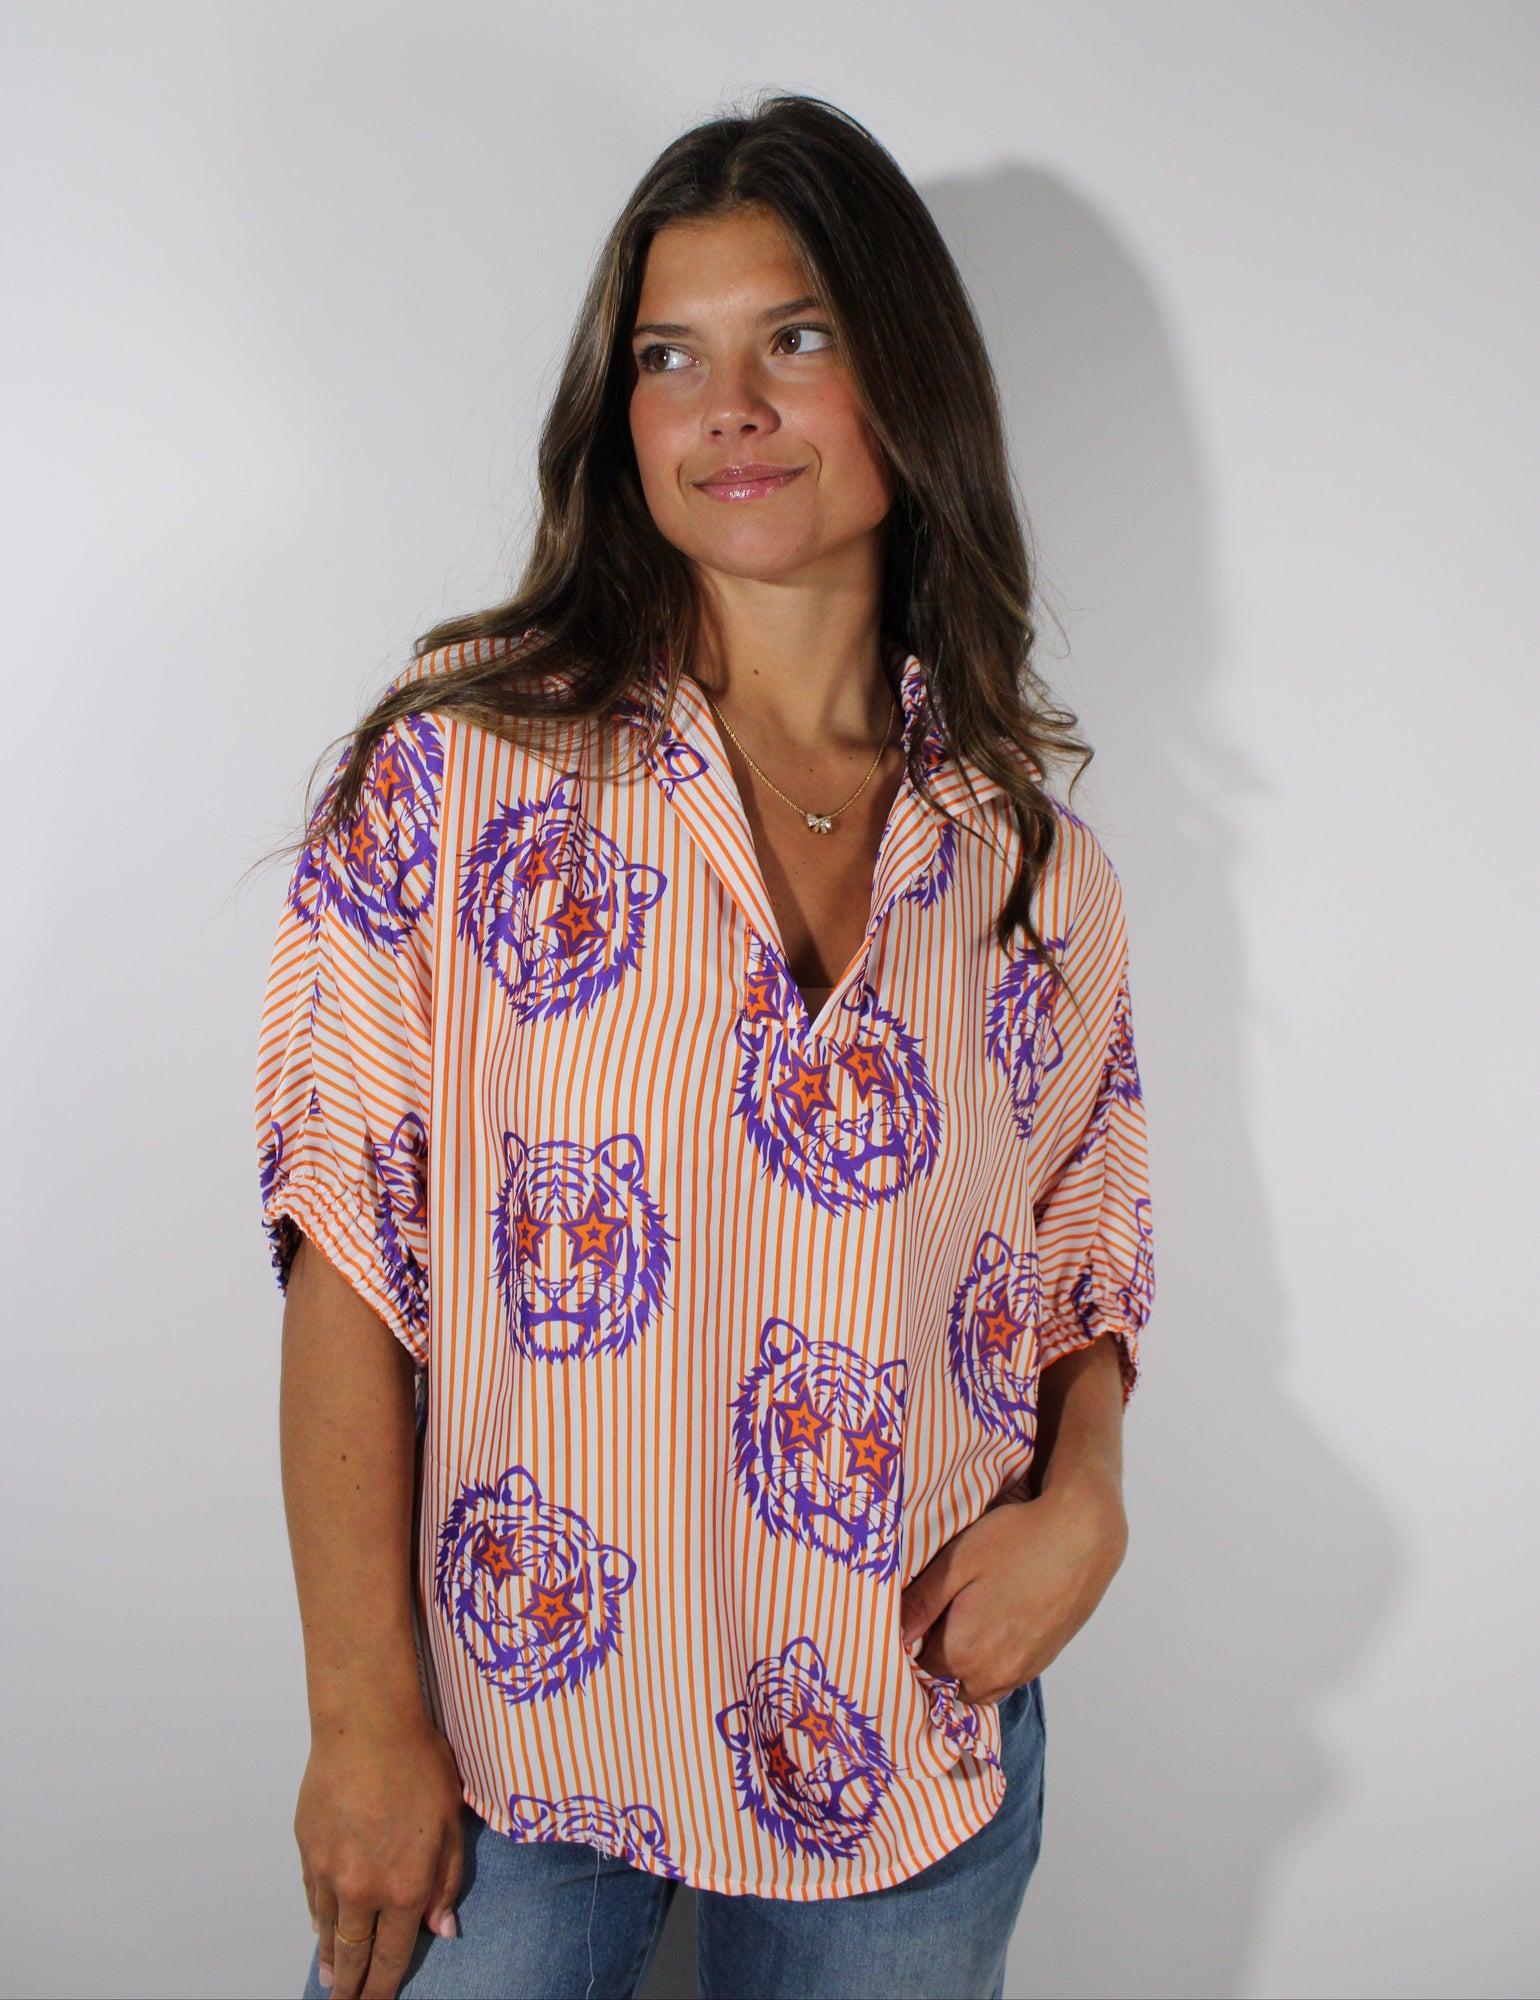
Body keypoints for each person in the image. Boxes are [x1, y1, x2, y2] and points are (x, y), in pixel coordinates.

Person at [256, 93, 1153, 2000]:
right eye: (671, 357)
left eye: (795, 338)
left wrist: (1087, 1505)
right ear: (624, 418)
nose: (726, 408)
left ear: (910, 380)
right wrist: (362, 1718)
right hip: (508, 1747)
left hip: (904, 1741)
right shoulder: (463, 768)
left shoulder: (1028, 867)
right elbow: (347, 1240)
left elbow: (1083, 1258)